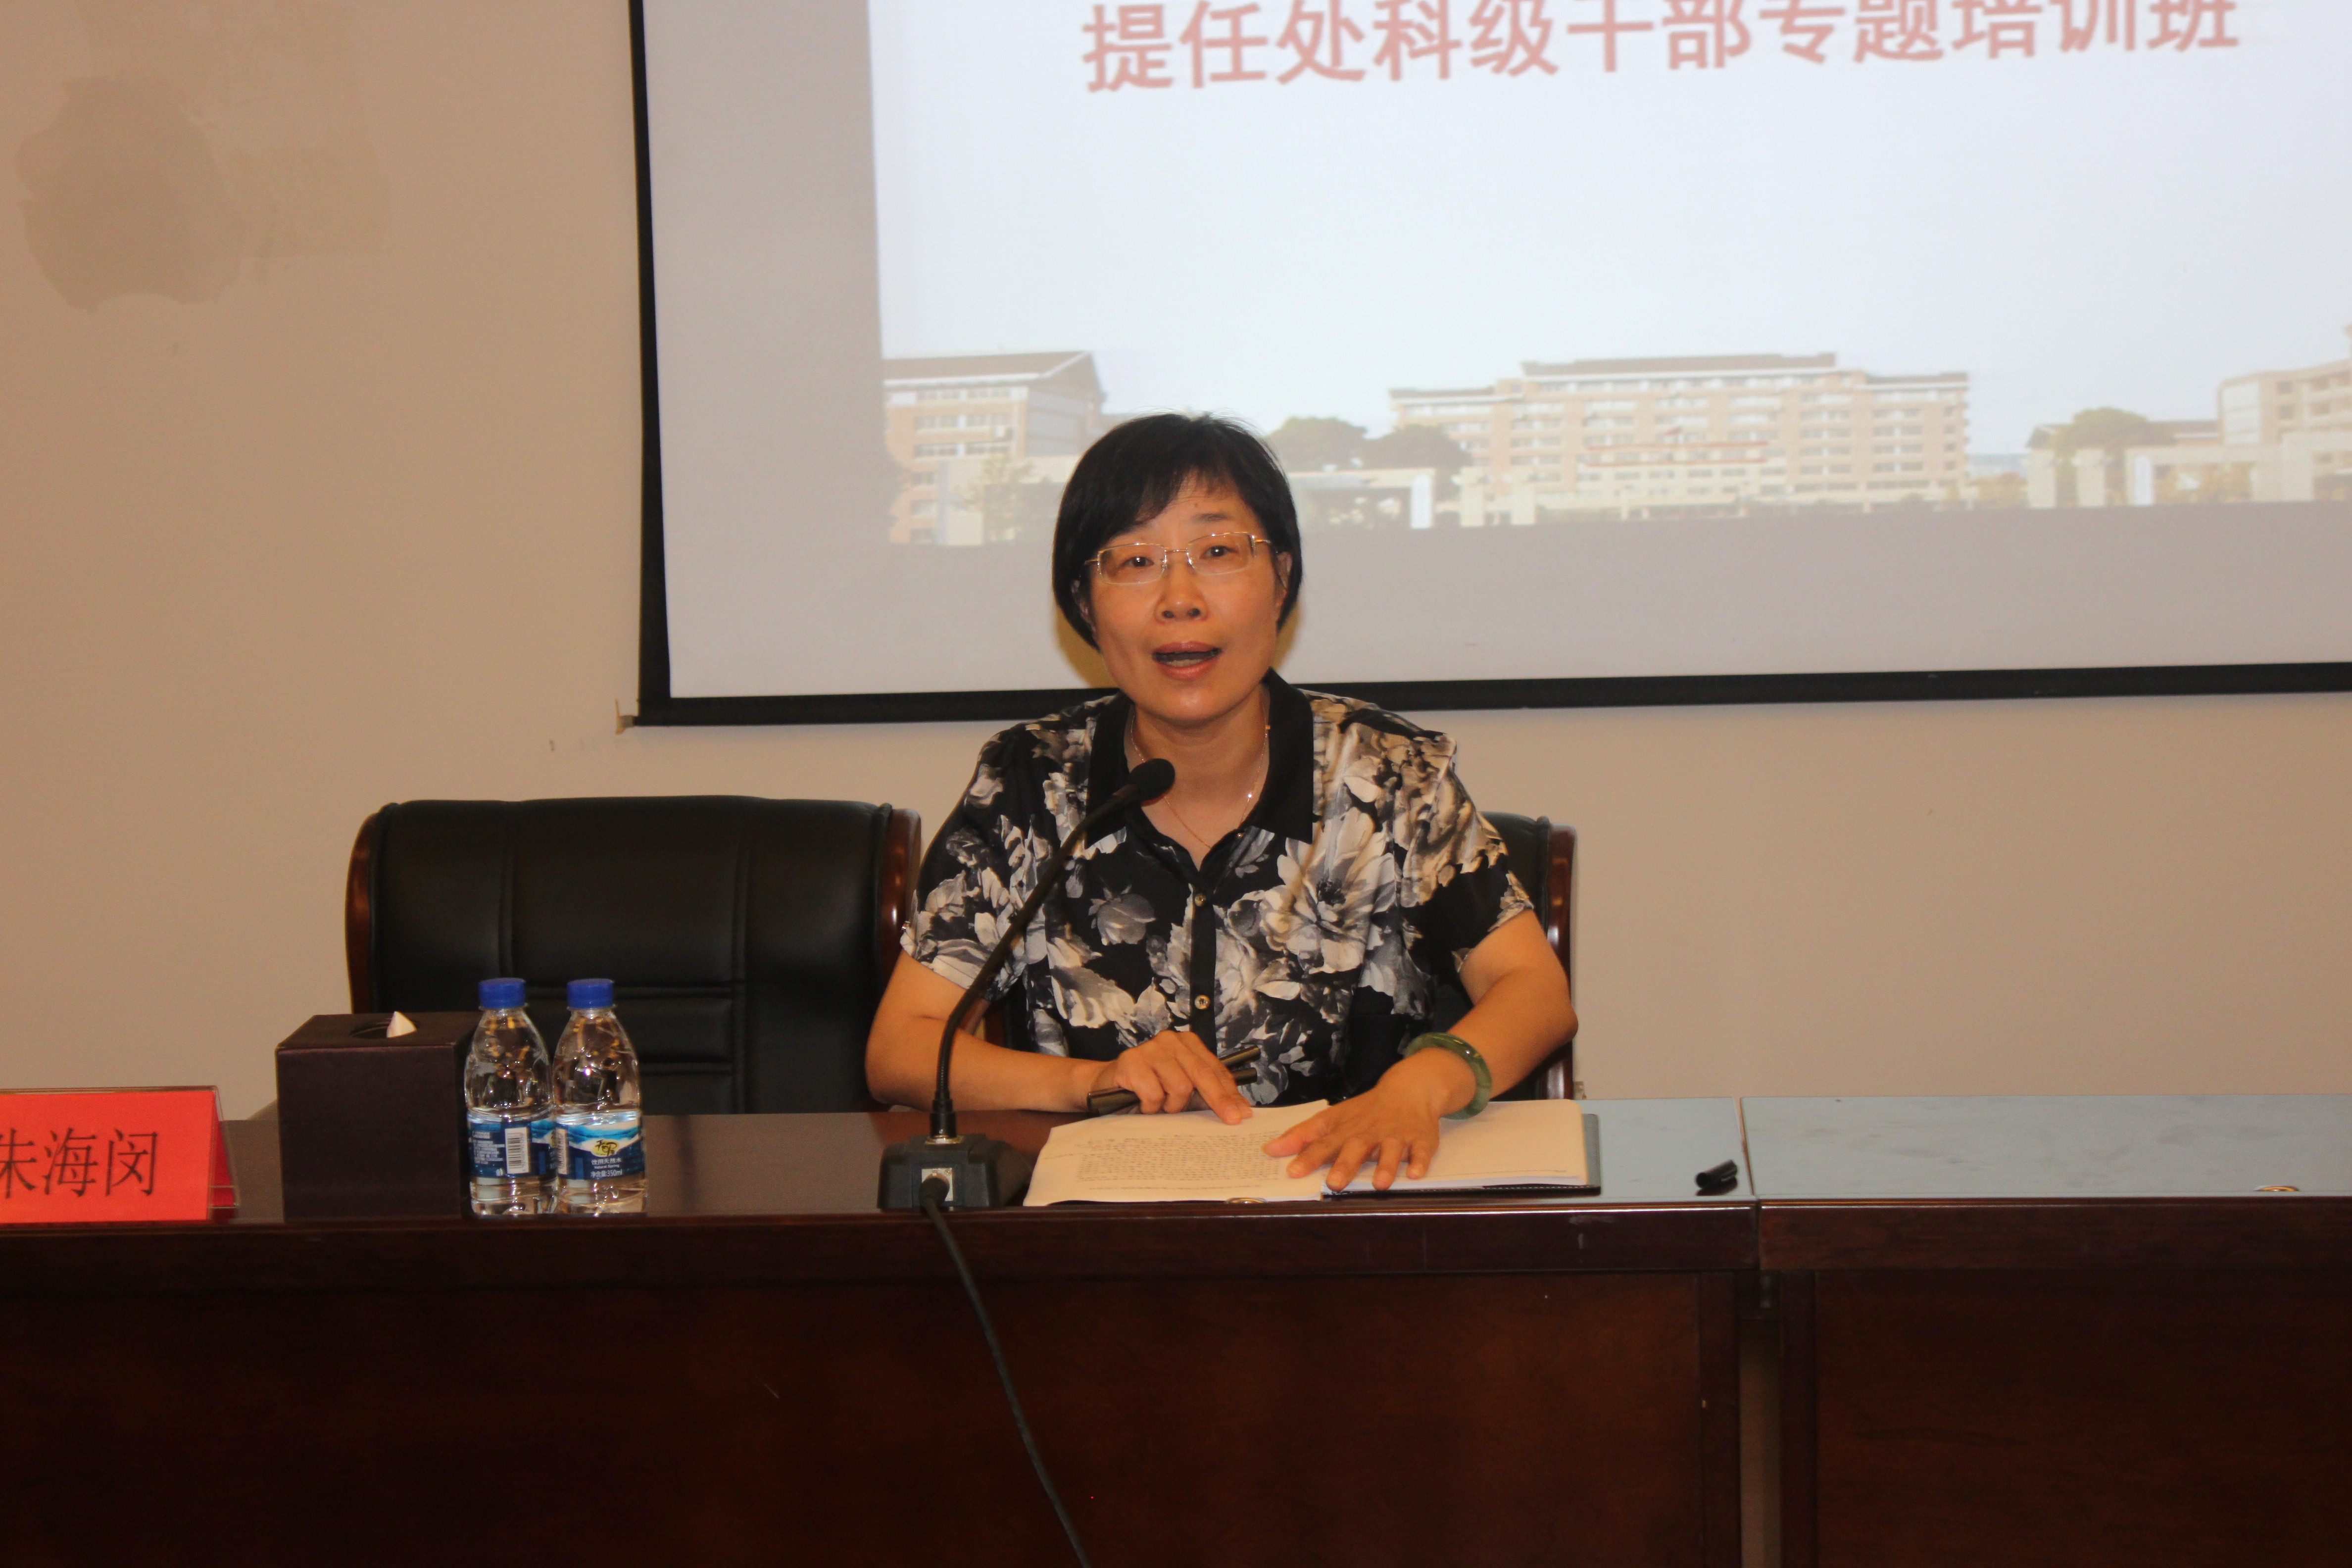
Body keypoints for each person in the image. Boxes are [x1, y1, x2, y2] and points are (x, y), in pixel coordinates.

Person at [865, 414, 1576, 1190]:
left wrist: (1424, 1083)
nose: (1180, 598)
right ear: (1085, 603)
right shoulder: (1031, 783)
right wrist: (1093, 1083)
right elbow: (902, 1049)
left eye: (1217, 552)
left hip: (1348, 1203)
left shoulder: (1387, 773)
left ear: (1281, 579)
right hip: (1106, 1225)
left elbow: (1535, 992)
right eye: (1136, 561)